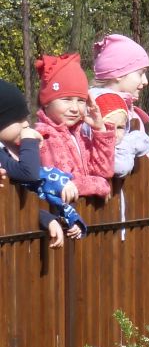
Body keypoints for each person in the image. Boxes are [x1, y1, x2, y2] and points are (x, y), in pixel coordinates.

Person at [0, 79, 82, 246]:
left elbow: (21, 197)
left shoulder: (7, 152)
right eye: (18, 119)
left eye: (26, 118)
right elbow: (29, 174)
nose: (25, 124)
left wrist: (46, 218)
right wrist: (28, 140)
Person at [33, 53, 115, 198]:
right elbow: (65, 182)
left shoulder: (79, 135)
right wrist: (99, 185)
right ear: (46, 101)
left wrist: (100, 129)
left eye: (81, 101)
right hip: (60, 217)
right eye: (67, 99)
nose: (75, 108)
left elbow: (104, 170)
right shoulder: (45, 136)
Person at [90, 33, 149, 177]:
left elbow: (145, 160)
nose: (145, 81)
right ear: (119, 73)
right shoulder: (97, 109)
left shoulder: (131, 111)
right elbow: (115, 160)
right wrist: (135, 141)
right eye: (140, 73)